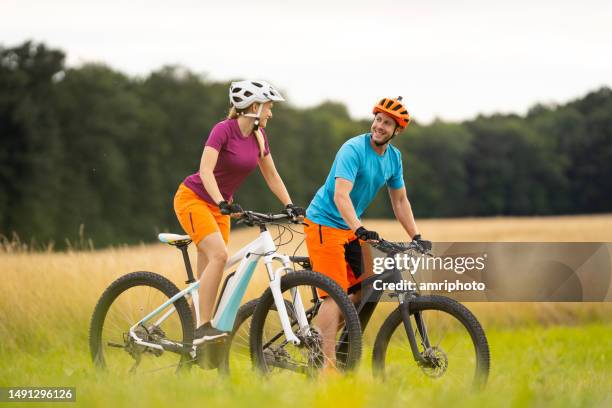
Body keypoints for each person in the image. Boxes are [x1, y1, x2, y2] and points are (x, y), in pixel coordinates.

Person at [303, 96, 431, 369]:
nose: (380, 126)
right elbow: (341, 196)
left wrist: (416, 236)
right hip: (324, 223)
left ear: (397, 131)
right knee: (333, 294)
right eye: (378, 120)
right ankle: (326, 367)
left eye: (387, 123)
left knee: (368, 288)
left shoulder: (394, 159)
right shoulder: (353, 149)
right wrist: (359, 228)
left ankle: (321, 338)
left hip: (350, 229)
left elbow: (400, 201)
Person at [173, 80, 305, 343]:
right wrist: (222, 201)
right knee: (219, 257)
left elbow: (272, 175)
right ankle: (203, 328)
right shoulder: (223, 130)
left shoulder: (259, 136)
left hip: (221, 208)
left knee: (209, 275)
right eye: (268, 107)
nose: (271, 113)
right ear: (254, 106)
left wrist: (289, 205)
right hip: (193, 199)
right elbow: (206, 171)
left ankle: (191, 343)